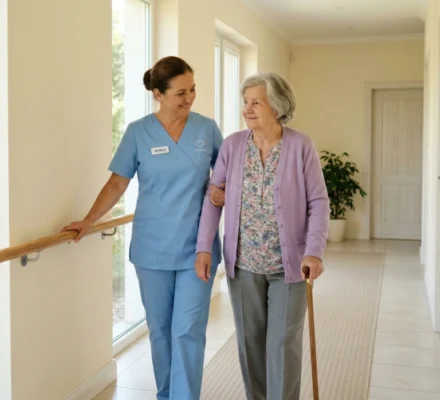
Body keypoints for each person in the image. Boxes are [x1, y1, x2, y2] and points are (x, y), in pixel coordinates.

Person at [61, 56, 224, 400]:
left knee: (188, 331)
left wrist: (223, 193)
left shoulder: (207, 129)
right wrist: (89, 221)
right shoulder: (138, 132)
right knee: (161, 331)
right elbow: (117, 184)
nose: (190, 97)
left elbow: (229, 177)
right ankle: (166, 394)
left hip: (200, 248)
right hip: (152, 249)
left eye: (192, 89)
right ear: (158, 94)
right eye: (181, 92)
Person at [195, 72, 330, 400]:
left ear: (278, 107)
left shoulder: (300, 146)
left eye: (256, 102)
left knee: (282, 343)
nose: (247, 108)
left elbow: (319, 201)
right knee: (250, 342)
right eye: (245, 102)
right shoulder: (233, 145)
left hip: (291, 265)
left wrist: (314, 251)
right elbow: (214, 197)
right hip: (243, 265)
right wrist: (204, 248)